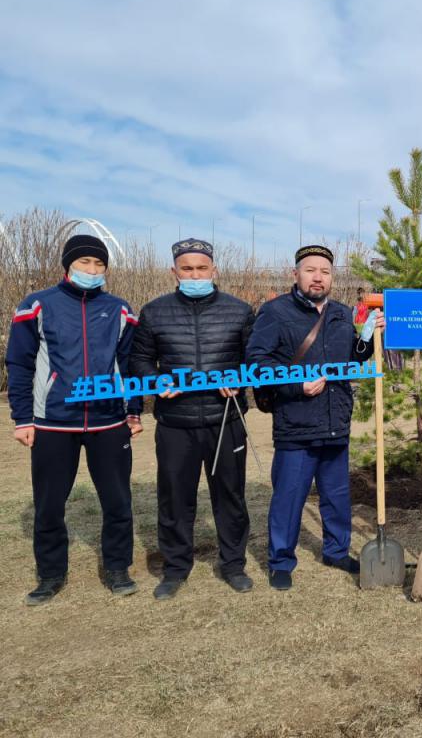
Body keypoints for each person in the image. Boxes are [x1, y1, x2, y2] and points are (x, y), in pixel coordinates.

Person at [6, 234, 143, 605]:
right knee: (49, 503)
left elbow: (131, 365)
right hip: (53, 422)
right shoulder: (37, 305)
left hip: (109, 422)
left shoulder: (120, 309)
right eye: (85, 263)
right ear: (68, 265)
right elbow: (19, 364)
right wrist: (22, 418)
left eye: (99, 264)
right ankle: (50, 575)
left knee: (117, 501)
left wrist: (133, 410)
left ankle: (117, 569)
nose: (92, 270)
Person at [246, 245, 383, 591]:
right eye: (310, 270)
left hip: (336, 420)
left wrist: (367, 337)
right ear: (296, 274)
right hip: (296, 421)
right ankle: (280, 560)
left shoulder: (339, 313)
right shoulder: (275, 312)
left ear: (332, 277)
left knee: (337, 495)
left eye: (325, 271)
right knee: (289, 496)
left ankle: (336, 551)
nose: (318, 277)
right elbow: (256, 363)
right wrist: (296, 385)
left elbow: (353, 360)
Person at [130, 238, 256, 599]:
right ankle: (175, 568)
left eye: (202, 268)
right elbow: (139, 360)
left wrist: (240, 379)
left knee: (231, 496)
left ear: (214, 270)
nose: (195, 274)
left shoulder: (240, 311)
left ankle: (233, 564)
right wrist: (156, 381)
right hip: (175, 422)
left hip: (225, 420)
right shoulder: (153, 312)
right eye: (187, 269)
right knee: (174, 497)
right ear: (175, 271)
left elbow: (254, 359)